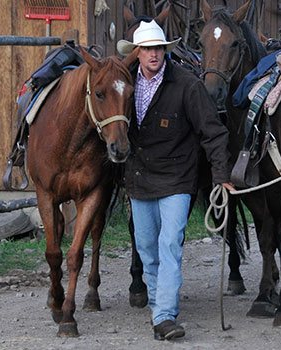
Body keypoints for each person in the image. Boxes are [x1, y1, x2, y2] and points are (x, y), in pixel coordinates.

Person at [117, 20, 234, 341]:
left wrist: (221, 176)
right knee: (146, 248)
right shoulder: (125, 84)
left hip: (177, 179)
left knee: (169, 245)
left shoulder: (186, 85)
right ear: (137, 53)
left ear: (165, 51)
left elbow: (213, 132)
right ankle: (159, 308)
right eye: (147, 49)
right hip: (140, 178)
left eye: (158, 48)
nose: (153, 54)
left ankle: (165, 315)